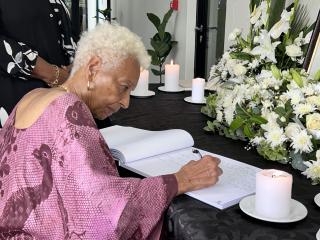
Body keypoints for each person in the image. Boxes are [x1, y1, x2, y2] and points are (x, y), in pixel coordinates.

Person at [0, 23, 222, 239]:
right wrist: (180, 180)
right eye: (123, 87)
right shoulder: (68, 108)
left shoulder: (32, 97)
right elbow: (101, 213)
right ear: (94, 68)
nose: (126, 103)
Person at [0, 0, 76, 116]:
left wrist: (76, 65)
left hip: (64, 92)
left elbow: (66, 35)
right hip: (20, 96)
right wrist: (53, 74)